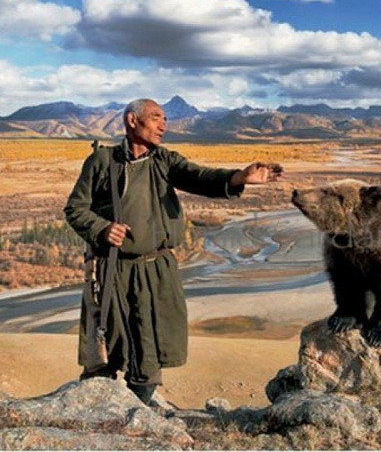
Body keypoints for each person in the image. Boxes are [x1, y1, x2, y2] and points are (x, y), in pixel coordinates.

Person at [64, 98, 283, 404]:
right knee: (107, 347)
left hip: (156, 271)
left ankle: (139, 411)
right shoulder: (103, 161)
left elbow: (200, 177)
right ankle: (99, 414)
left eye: (165, 119)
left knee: (149, 345)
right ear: (131, 120)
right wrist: (101, 229)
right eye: (155, 118)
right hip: (114, 268)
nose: (163, 124)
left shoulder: (164, 161)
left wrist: (239, 178)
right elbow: (75, 208)